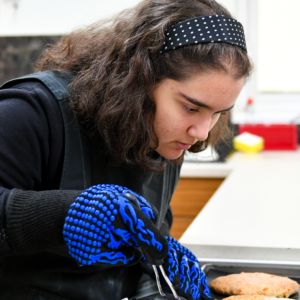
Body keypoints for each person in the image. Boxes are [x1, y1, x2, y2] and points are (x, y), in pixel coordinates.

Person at [0, 0, 252, 299]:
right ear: (140, 80)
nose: (201, 132)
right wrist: (66, 214)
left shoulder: (168, 134)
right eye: (190, 107)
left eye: (217, 113)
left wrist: (157, 272)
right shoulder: (29, 112)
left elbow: (143, 235)